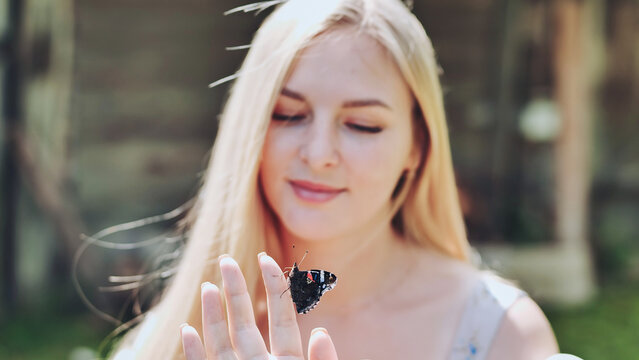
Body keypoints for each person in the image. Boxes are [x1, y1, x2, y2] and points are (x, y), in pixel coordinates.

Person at [109, 0, 562, 358]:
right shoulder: (177, 337)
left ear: (417, 147)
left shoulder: (502, 336)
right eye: (288, 115)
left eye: (362, 125)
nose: (319, 154)